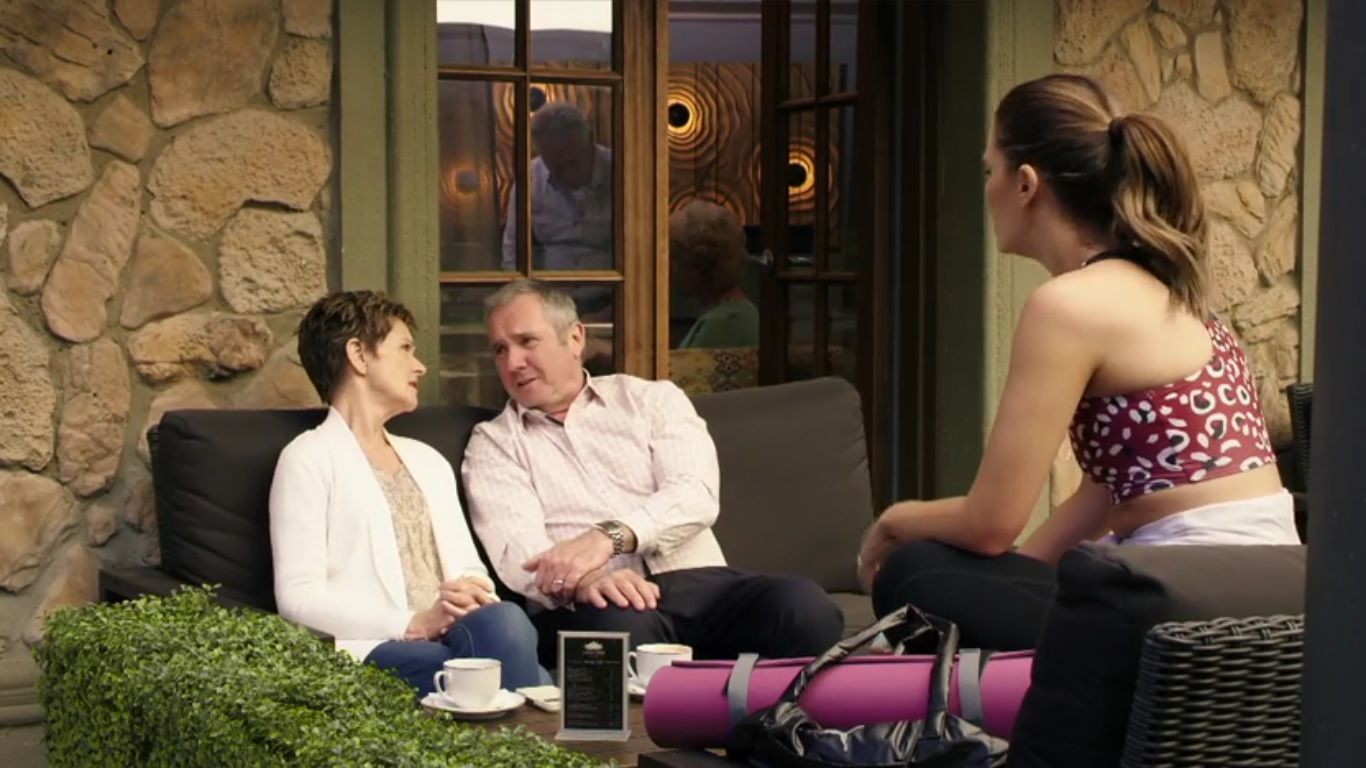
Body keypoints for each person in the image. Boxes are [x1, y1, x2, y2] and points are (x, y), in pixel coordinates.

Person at [858, 74, 1300, 652]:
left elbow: (990, 524)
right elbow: (1100, 496)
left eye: (989, 170)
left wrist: (894, 521)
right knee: (957, 580)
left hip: (1182, 604)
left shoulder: (1067, 306)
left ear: (1025, 184)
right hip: (1269, 593)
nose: (987, 188)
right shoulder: (1173, 291)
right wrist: (1012, 580)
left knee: (913, 572)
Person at [462, 280, 843, 666]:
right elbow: (518, 551)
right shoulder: (494, 443)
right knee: (619, 632)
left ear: (575, 338)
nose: (512, 363)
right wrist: (584, 580)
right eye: (500, 349)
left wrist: (609, 537)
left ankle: (763, 706)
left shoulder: (650, 400)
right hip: (595, 602)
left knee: (804, 608)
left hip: (699, 584)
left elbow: (695, 494)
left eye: (527, 341)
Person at [270, 290, 547, 697]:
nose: (420, 366)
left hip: (456, 638)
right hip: (378, 647)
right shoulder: (307, 458)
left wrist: (468, 594)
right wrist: (411, 623)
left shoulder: (427, 460)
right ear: (358, 355)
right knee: (504, 672)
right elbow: (297, 599)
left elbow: (471, 571)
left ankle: (515, 709)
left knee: (504, 621)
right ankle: (531, 706)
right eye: (405, 349)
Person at [500, 102, 613, 281]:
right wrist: (521, 292)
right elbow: (513, 249)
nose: (569, 175)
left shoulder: (624, 173)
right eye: (557, 167)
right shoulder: (530, 178)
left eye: (574, 162)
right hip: (547, 293)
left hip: (615, 293)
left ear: (591, 139)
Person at [670, 200, 760, 349]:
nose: (671, 269)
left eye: (675, 258)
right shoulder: (738, 312)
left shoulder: (725, 322)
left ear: (698, 264)